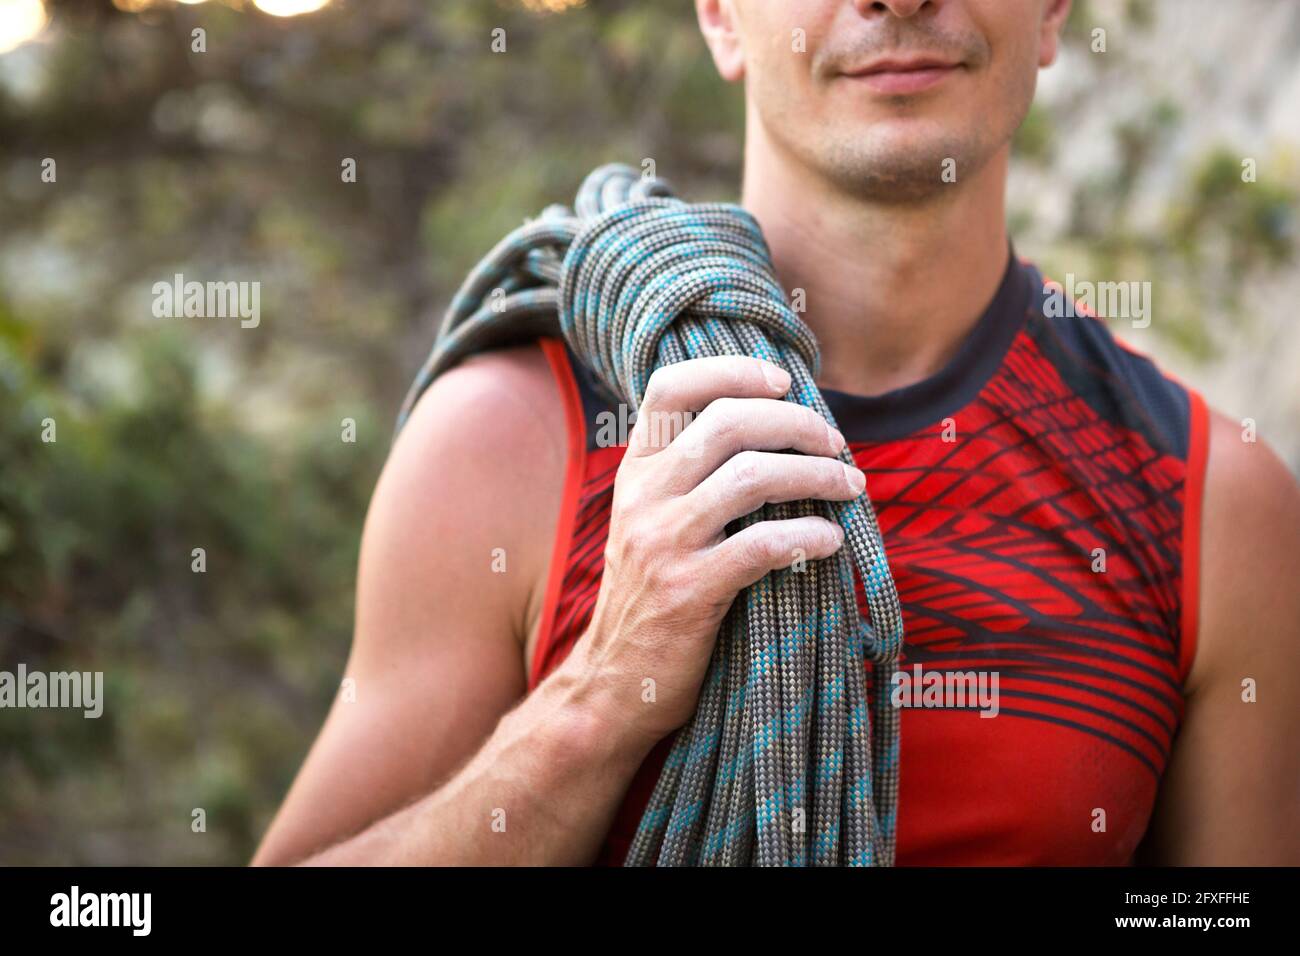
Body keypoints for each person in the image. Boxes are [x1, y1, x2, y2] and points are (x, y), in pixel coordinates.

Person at [252, 0, 1300, 866]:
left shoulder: (1210, 503)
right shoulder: (513, 438)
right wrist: (599, 697)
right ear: (718, 16)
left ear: (1051, 13)